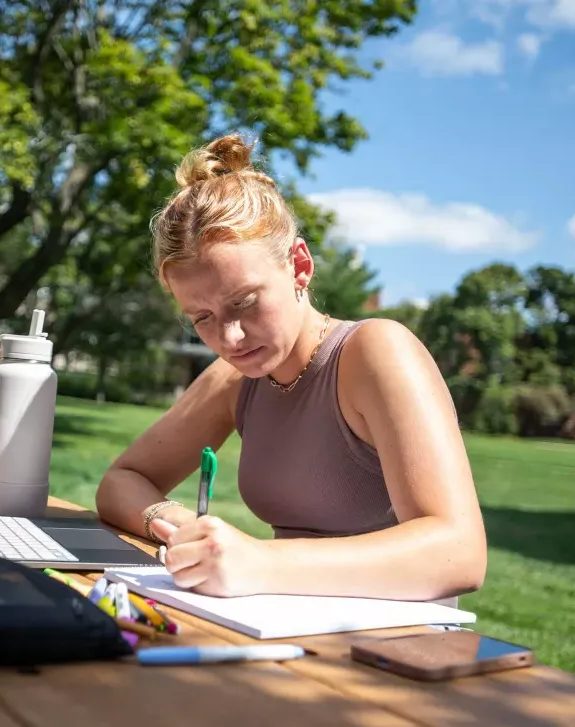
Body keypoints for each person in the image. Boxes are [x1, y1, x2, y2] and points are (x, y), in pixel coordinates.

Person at [94, 134, 487, 603]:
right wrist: (180, 526)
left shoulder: (377, 352)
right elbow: (122, 482)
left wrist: (260, 562)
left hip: (398, 645)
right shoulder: (237, 379)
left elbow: (460, 552)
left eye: (244, 302)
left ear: (299, 266)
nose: (230, 338)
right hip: (282, 624)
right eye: (202, 318)